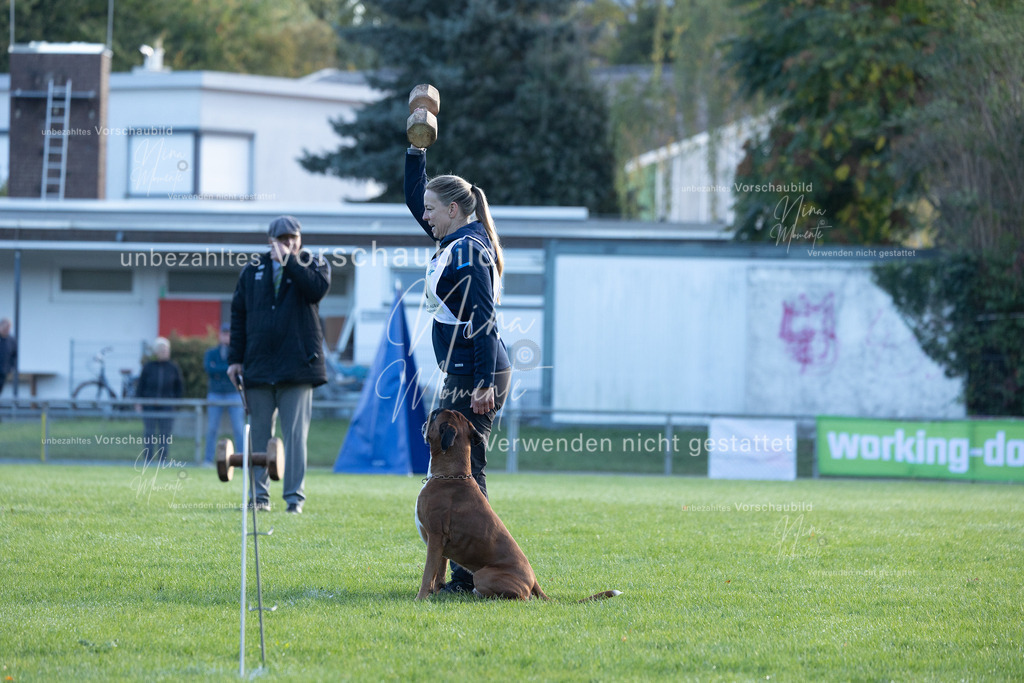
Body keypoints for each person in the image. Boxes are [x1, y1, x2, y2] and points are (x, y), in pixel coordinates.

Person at [404, 145, 512, 593]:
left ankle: (471, 575)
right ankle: (464, 572)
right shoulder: (455, 240)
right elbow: (415, 200)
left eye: (431, 210)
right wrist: (416, 149)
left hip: (476, 374)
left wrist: (483, 382)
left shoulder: (467, 251)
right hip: (465, 371)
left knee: (466, 471)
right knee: (454, 472)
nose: (424, 216)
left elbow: (484, 317)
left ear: (453, 210)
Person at [227, 215, 330, 514]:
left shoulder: (314, 263)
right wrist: (235, 359)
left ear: (300, 239)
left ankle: (294, 499)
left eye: (293, 238)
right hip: (258, 367)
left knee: (295, 437)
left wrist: (290, 262)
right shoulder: (252, 270)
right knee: (258, 435)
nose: (289, 243)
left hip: (298, 368)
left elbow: (316, 290)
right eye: (283, 239)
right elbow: (238, 315)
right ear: (270, 240)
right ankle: (259, 498)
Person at [135, 336, 184, 463]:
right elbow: (140, 386)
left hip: (167, 407)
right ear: (156, 352)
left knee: (164, 435)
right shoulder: (148, 367)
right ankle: (148, 459)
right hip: (149, 406)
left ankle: (163, 460)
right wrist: (138, 402)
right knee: (149, 434)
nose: (165, 352)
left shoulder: (173, 368)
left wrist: (175, 404)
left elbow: (179, 387)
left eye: (167, 350)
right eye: (162, 350)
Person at [203, 322, 245, 466]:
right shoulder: (211, 353)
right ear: (220, 335)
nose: (226, 337)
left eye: (228, 334)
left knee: (238, 428)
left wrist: (221, 370)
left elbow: (239, 369)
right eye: (224, 333)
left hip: (234, 393)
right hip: (215, 394)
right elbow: (209, 369)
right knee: (212, 428)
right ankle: (208, 459)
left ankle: (242, 459)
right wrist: (228, 369)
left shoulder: (236, 352)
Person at [0, 318, 16, 396]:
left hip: (3, 371)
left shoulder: (11, 341)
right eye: (5, 328)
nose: (6, 330)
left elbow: (14, 355)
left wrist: (10, 367)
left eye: (8, 328)